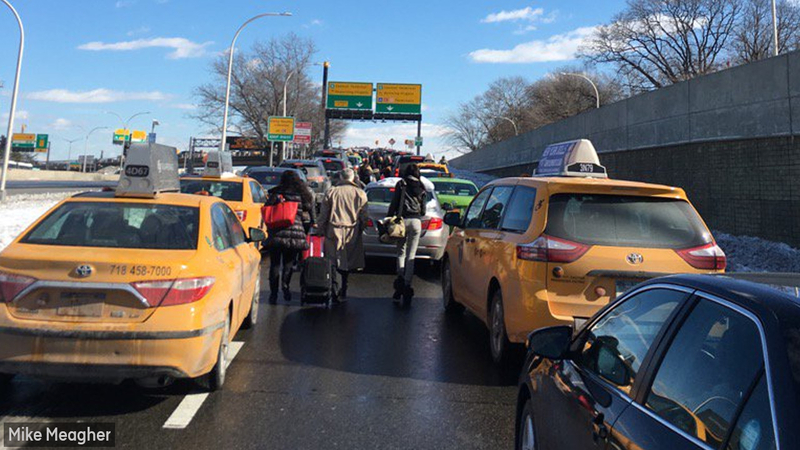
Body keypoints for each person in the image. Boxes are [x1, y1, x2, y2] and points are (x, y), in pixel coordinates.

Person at [264, 170, 315, 304]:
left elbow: (266, 209)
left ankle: (273, 294)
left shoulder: (276, 193)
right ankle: (285, 286)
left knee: (275, 264)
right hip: (295, 233)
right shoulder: (302, 195)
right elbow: (310, 211)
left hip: (277, 232)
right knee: (288, 263)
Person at [318, 168, 369, 301]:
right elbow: (364, 216)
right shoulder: (360, 193)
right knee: (347, 261)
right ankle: (344, 287)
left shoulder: (332, 192)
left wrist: (320, 228)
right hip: (352, 231)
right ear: (353, 178)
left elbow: (324, 214)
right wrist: (360, 228)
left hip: (333, 229)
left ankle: (334, 287)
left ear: (341, 177)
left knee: (332, 260)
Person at [387, 163, 427, 304]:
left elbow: (395, 202)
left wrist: (389, 217)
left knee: (401, 252)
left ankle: (400, 279)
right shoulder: (422, 186)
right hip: (416, 222)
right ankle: (408, 284)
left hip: (402, 221)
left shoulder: (402, 184)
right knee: (411, 255)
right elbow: (423, 211)